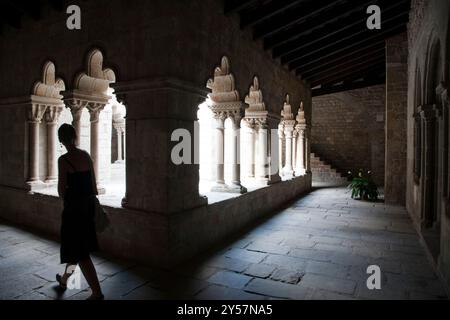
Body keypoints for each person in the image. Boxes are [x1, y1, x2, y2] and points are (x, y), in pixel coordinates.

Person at [56, 124, 104, 300]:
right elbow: (93, 185)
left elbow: (61, 191)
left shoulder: (64, 160)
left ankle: (97, 293)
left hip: (74, 211)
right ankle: (64, 280)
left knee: (81, 253)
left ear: (60, 139)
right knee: (75, 250)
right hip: (88, 208)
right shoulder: (85, 155)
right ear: (75, 136)